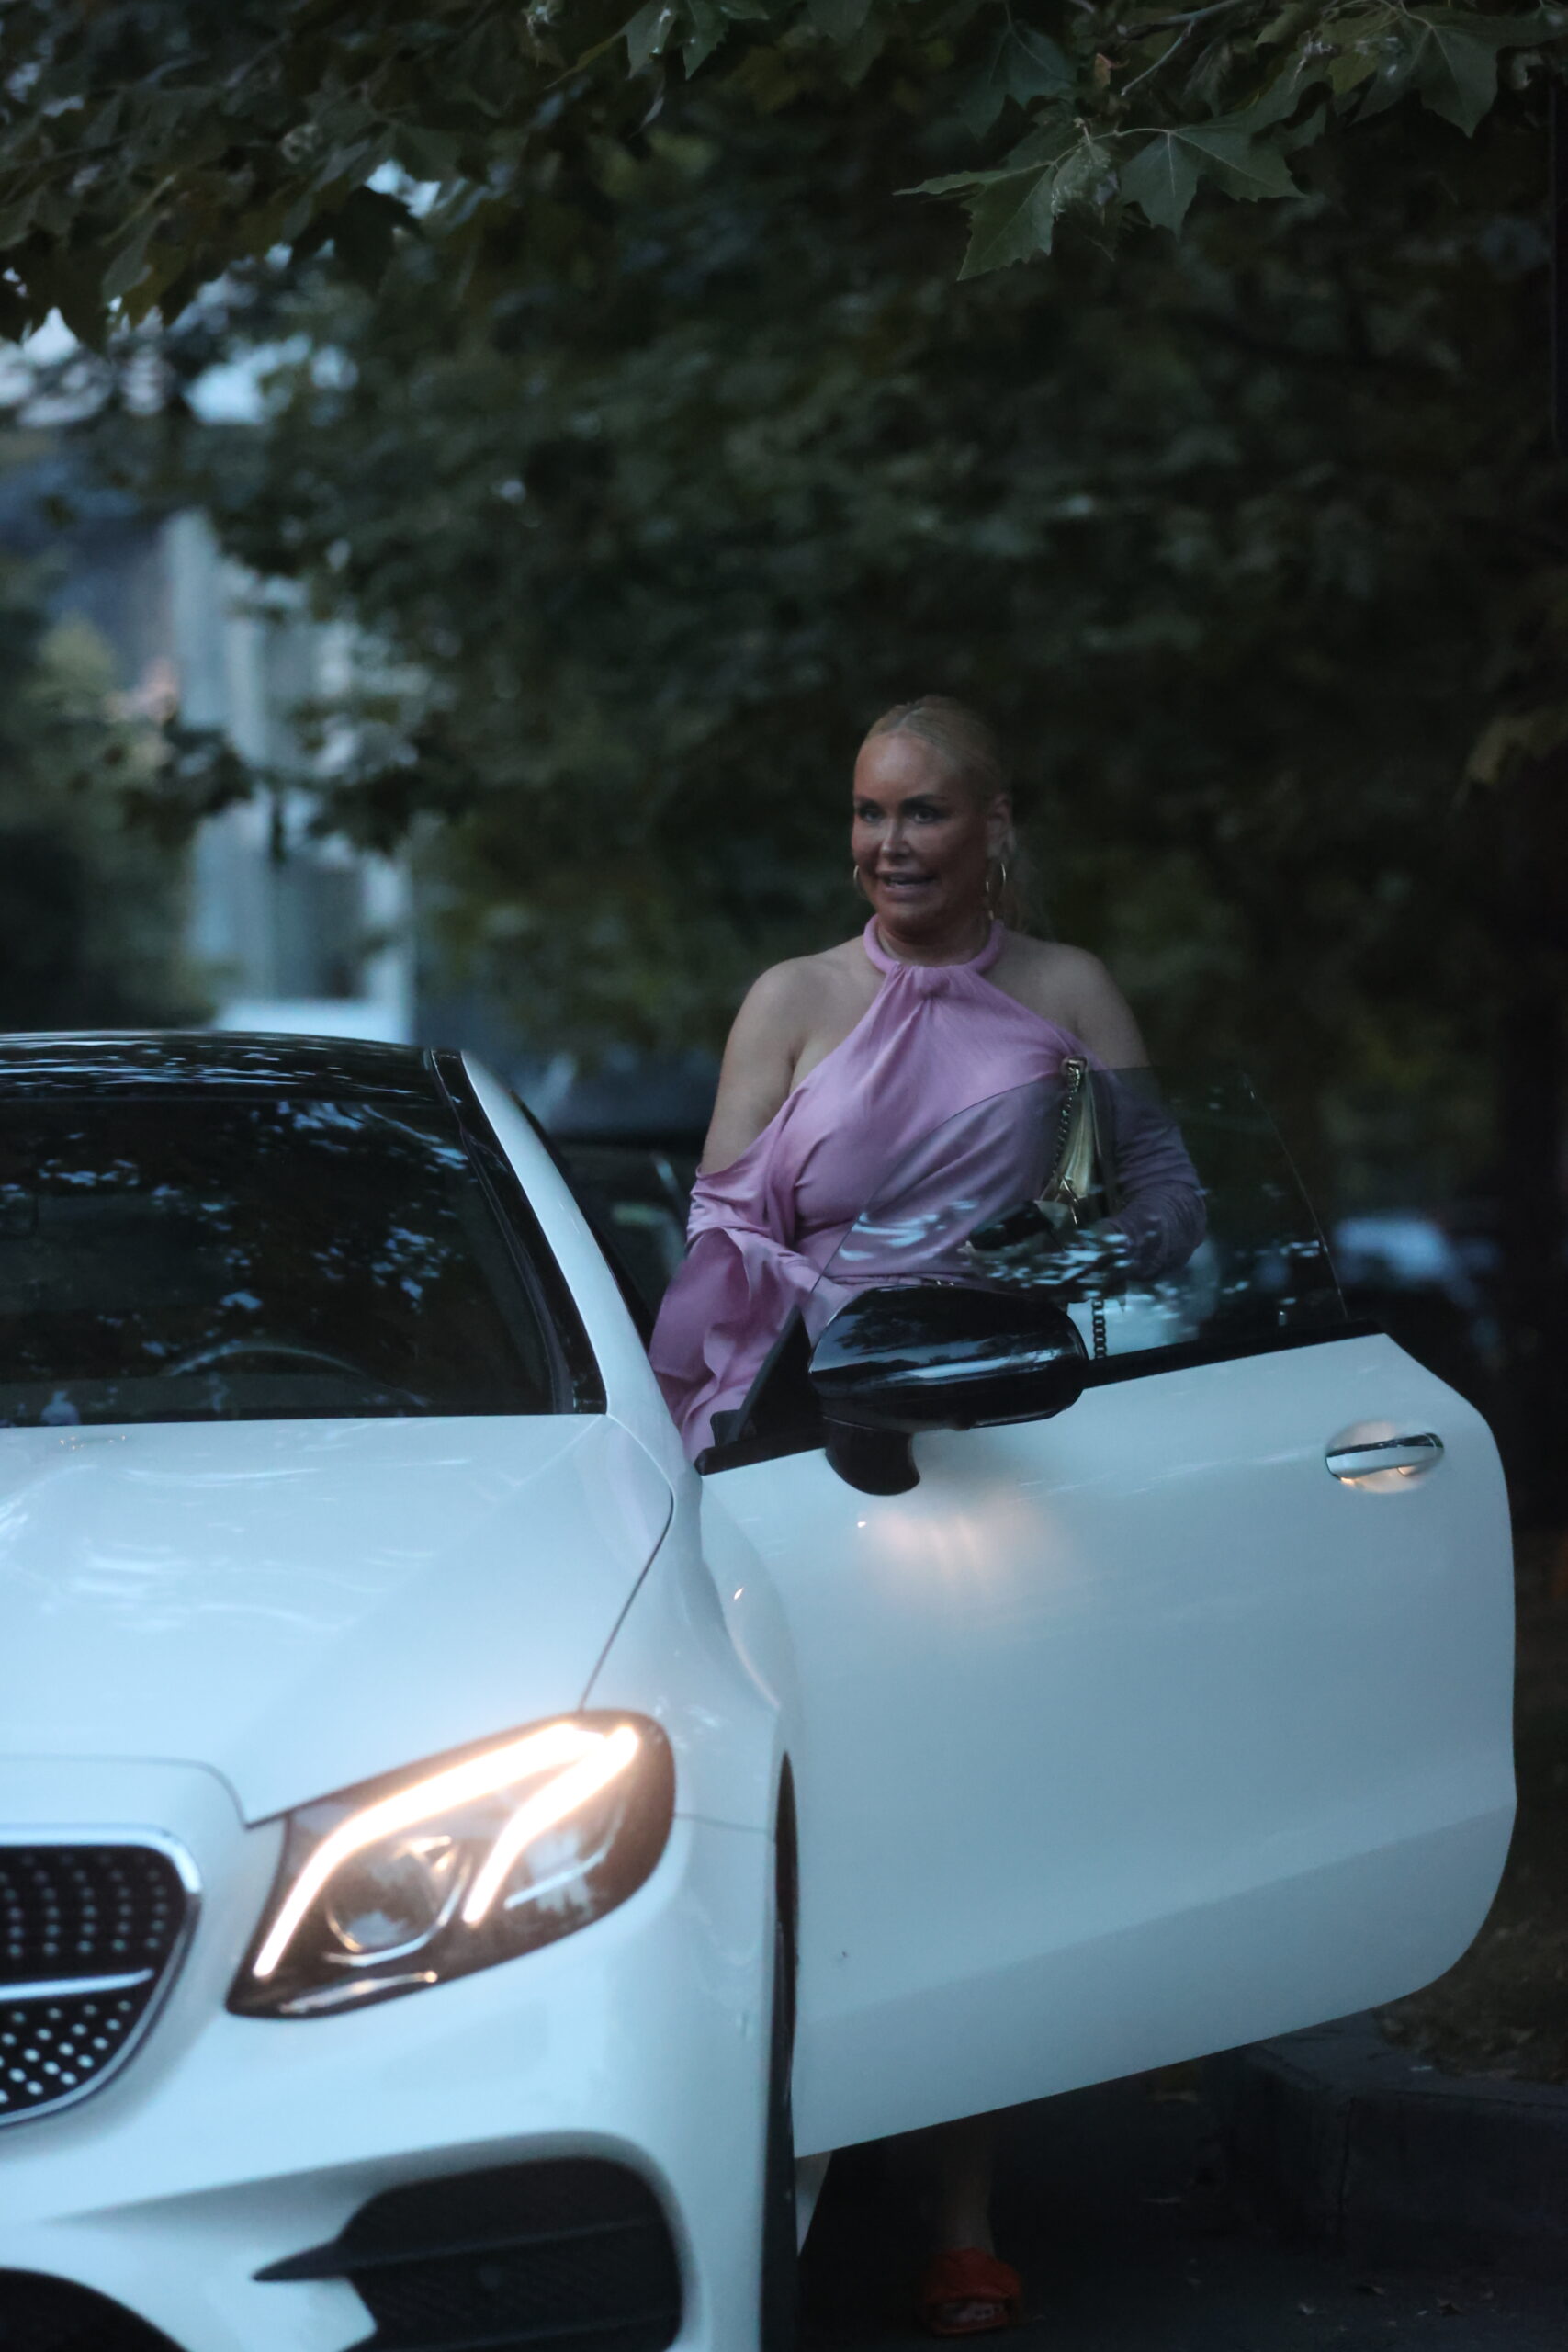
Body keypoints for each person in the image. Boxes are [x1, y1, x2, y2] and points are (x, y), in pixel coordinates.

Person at [649, 695, 1204, 2335]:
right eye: (868, 814)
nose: (889, 845)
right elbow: (722, 1225)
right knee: (799, 1814)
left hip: (986, 1429)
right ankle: (775, 2183)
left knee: (967, 1816)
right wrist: (835, 1305)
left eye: (924, 813)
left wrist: (1031, 1272)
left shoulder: (1069, 994)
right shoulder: (793, 998)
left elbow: (1162, 1206)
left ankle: (962, 2211)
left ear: (992, 824)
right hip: (795, 1425)